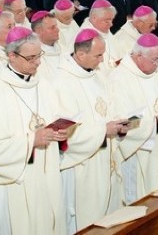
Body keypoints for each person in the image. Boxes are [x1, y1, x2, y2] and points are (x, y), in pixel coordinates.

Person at [0, 27, 67, 235]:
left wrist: (60, 134)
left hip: (47, 175)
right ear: (12, 56)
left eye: (39, 55)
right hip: (16, 184)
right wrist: (31, 140)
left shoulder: (45, 87)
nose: (38, 62)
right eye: (31, 57)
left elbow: (55, 120)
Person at [54, 29, 128, 233]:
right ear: (80, 55)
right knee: (88, 220)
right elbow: (66, 134)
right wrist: (103, 131)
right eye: (98, 55)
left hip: (106, 159)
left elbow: (109, 109)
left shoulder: (96, 76)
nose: (102, 60)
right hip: (82, 167)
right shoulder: (62, 83)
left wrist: (120, 126)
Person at [108, 33, 158, 204]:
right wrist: (154, 122)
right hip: (138, 152)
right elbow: (121, 122)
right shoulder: (119, 79)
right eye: (155, 60)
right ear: (139, 56)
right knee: (140, 201)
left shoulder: (154, 72)